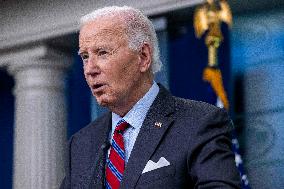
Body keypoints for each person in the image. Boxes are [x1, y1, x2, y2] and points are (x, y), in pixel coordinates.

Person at [60, 6, 241, 189]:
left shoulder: (199, 122)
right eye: (84, 56)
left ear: (143, 56)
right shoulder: (80, 144)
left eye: (102, 53)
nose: (90, 69)